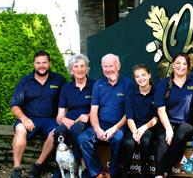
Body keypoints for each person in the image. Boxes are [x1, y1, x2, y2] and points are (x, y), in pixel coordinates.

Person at [10, 50, 67, 178]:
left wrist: (63, 118)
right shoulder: (25, 81)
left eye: (44, 62)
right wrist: (24, 119)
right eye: (38, 63)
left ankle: (37, 165)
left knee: (56, 132)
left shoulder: (59, 80)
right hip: (30, 118)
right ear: (34, 64)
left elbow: (66, 102)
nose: (41, 65)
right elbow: (14, 106)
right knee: (19, 129)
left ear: (49, 63)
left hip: (51, 119)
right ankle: (17, 169)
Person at [77, 53, 134, 178]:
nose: (108, 69)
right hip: (101, 124)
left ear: (118, 66)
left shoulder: (128, 84)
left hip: (119, 125)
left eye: (110, 66)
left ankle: (111, 173)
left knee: (118, 139)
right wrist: (97, 129)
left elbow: (128, 112)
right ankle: (97, 172)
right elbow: (93, 111)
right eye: (105, 66)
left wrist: (114, 128)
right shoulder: (98, 84)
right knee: (82, 139)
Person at [154, 52, 193, 178]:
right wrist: (168, 128)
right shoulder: (163, 84)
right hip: (167, 121)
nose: (181, 66)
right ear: (172, 65)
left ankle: (165, 170)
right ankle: (159, 175)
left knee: (180, 134)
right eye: (177, 63)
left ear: (188, 66)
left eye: (184, 64)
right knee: (163, 139)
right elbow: (160, 109)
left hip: (187, 123)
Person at [52, 54, 94, 177]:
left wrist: (89, 115)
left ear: (87, 69)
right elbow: (59, 116)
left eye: (82, 66)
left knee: (75, 130)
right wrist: (64, 120)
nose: (79, 69)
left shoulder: (94, 85)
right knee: (58, 132)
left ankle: (80, 163)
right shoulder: (66, 88)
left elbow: (99, 109)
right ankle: (61, 166)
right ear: (71, 70)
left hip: (87, 119)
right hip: (69, 119)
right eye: (76, 66)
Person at [121, 64, 158, 178]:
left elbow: (156, 118)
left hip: (149, 127)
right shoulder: (131, 93)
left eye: (143, 75)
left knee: (145, 141)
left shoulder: (156, 92)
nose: (141, 78)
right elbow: (129, 117)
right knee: (129, 142)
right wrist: (135, 132)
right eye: (137, 76)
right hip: (133, 126)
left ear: (149, 75)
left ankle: (144, 172)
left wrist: (143, 129)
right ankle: (125, 172)